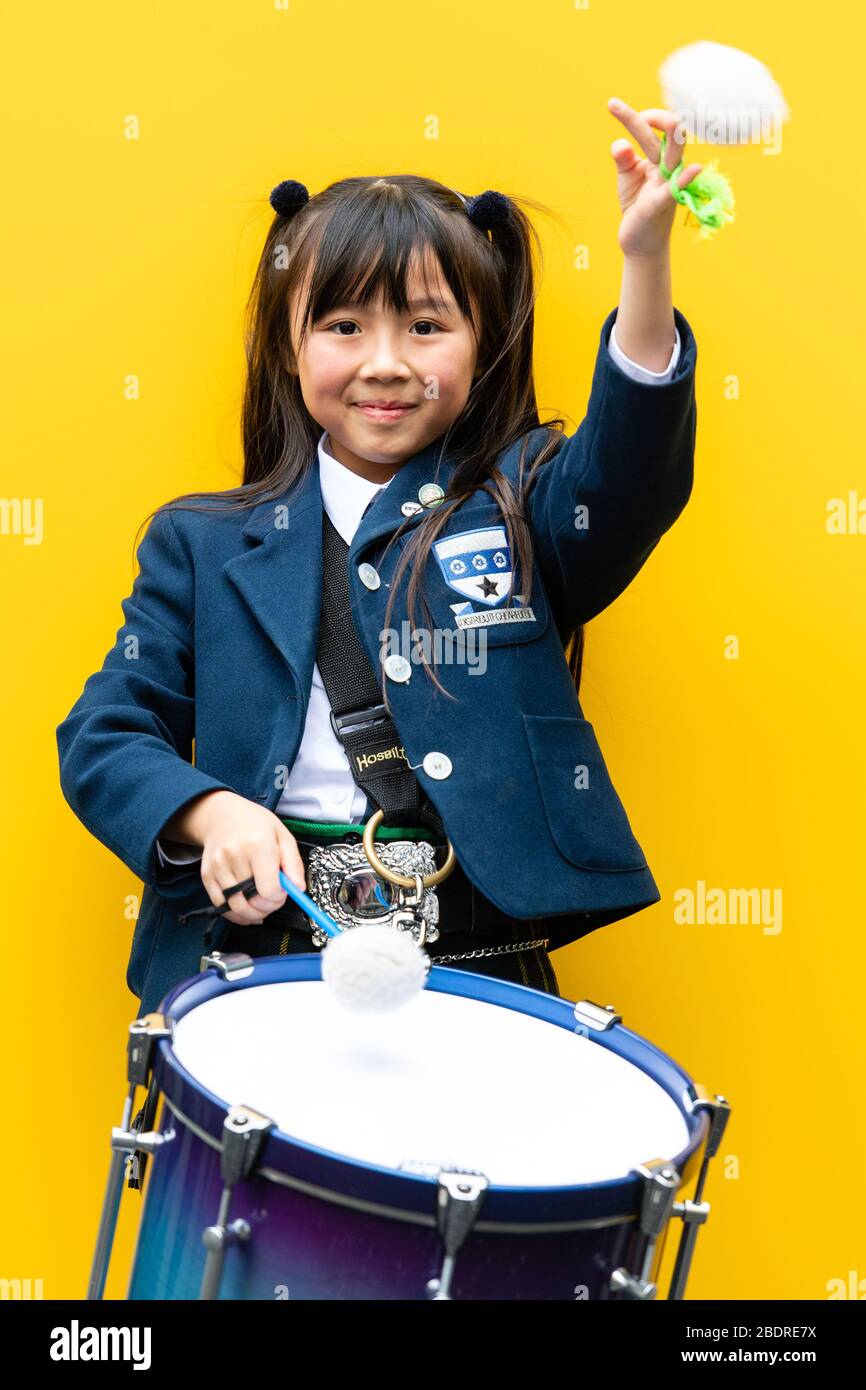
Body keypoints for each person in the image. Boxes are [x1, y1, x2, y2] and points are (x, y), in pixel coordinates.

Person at [56, 99, 701, 1018]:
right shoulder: (198, 543)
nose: (388, 362)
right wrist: (211, 814)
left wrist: (646, 263)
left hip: (484, 959)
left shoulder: (526, 501)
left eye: (428, 327)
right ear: (288, 341)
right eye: (345, 326)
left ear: (485, 342)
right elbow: (104, 735)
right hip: (256, 964)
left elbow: (632, 476)